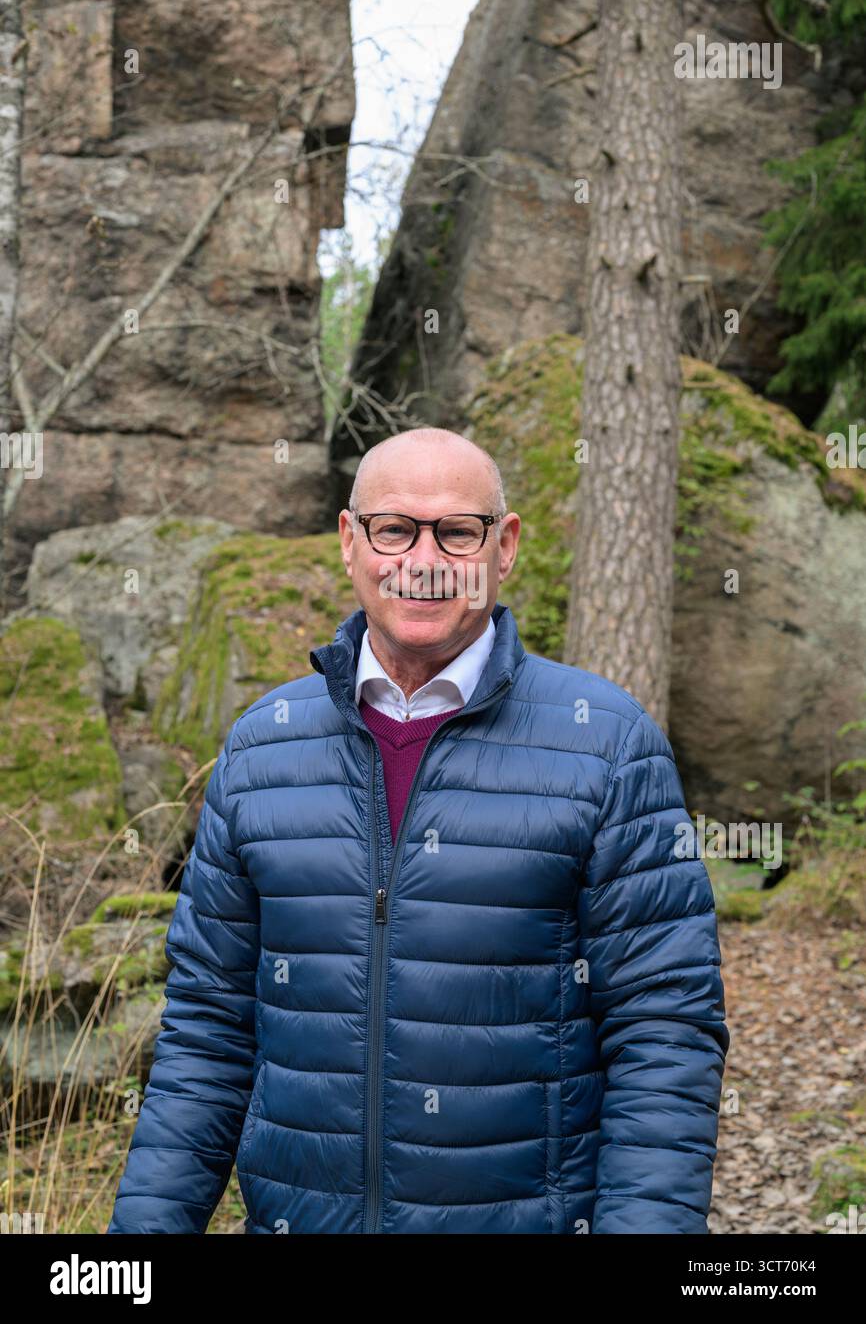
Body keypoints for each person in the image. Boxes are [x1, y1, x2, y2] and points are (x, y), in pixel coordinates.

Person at [108, 426, 729, 1235]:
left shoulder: (606, 744)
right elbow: (207, 1033)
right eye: (395, 528)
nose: (425, 560)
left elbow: (666, 1030)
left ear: (503, 548)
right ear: (349, 541)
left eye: (457, 532)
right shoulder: (262, 746)